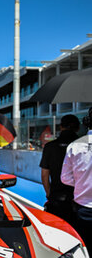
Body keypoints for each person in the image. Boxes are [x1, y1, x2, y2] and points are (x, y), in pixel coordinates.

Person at [61, 107, 92, 256]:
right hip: (82, 206)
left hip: (83, 208)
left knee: (83, 250)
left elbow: (65, 178)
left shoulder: (75, 145)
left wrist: (82, 183)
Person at [40, 114, 80, 224]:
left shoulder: (50, 146)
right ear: (78, 128)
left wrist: (49, 194)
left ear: (61, 127)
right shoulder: (84, 146)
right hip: (79, 200)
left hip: (56, 199)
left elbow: (44, 175)